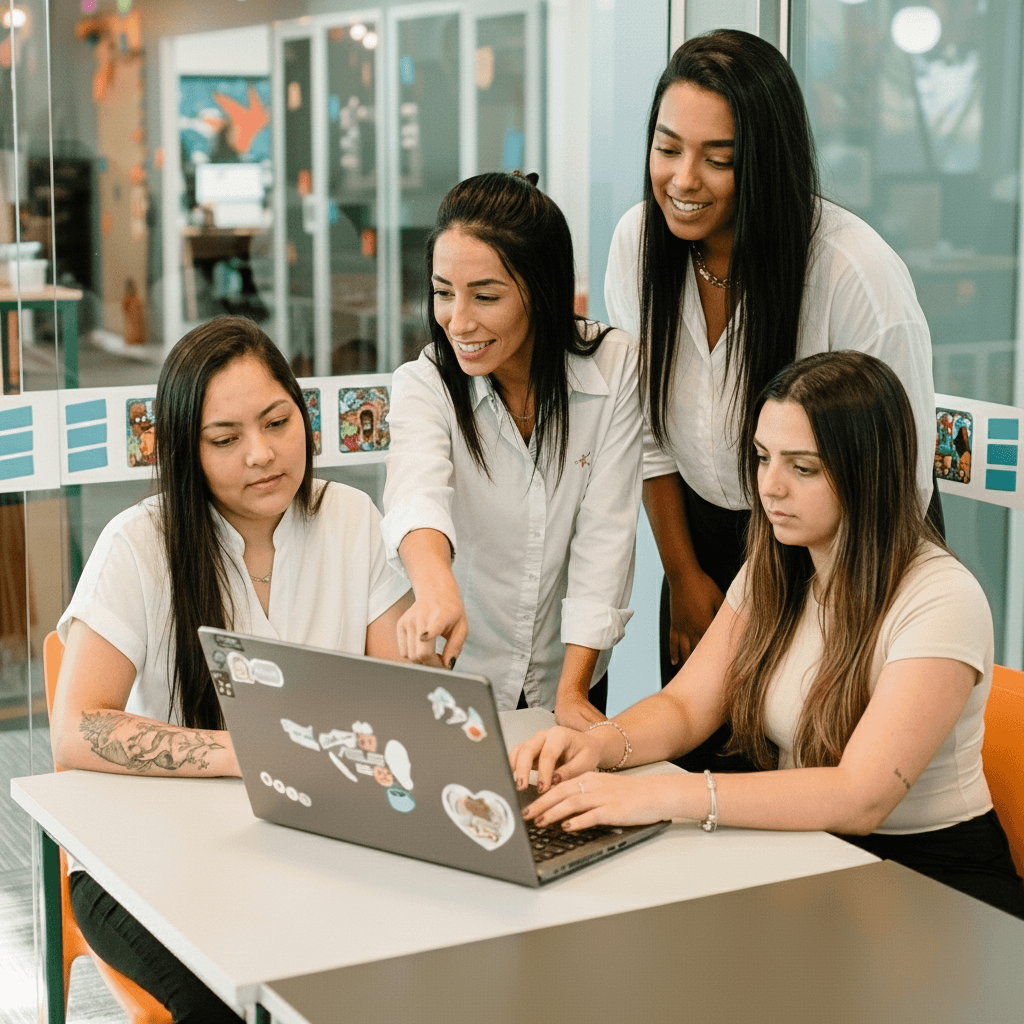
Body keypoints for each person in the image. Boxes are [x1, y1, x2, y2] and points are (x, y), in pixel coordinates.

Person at [510, 351, 1024, 919]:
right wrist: (600, 745)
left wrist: (659, 795)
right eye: (762, 458)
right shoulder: (778, 564)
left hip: (933, 883)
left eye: (802, 468)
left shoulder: (941, 598)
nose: (770, 487)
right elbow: (686, 706)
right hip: (812, 853)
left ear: (868, 472)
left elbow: (861, 797)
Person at [50, 316, 412, 1023]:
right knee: (223, 1006)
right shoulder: (140, 545)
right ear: (188, 451)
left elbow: (397, 700)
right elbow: (74, 730)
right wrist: (253, 750)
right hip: (143, 863)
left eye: (278, 422)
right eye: (226, 439)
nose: (262, 455)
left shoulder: (352, 520)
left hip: (308, 847)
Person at [603, 30, 940, 771]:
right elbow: (650, 437)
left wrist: (838, 624)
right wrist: (688, 579)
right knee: (700, 770)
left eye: (720, 159)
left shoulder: (852, 272)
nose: (684, 179)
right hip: (705, 546)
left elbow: (902, 480)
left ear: (768, 163)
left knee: (813, 792)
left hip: (851, 560)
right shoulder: (639, 245)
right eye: (667, 148)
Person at [382, 171, 641, 727]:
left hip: (570, 666)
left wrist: (573, 693)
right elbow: (415, 493)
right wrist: (434, 588)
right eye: (443, 293)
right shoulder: (426, 384)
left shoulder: (613, 368)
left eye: (486, 296)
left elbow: (606, 540)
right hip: (458, 667)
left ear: (543, 290)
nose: (458, 320)